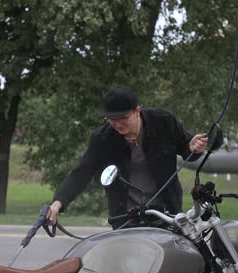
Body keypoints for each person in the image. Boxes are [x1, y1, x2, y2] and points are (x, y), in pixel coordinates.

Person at [47, 87, 208, 229]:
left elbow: (189, 150)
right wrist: (58, 203)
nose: (117, 124)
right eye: (111, 119)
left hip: (166, 213)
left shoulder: (164, 121)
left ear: (137, 111)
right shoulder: (102, 138)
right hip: (125, 217)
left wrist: (194, 147)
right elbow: (82, 172)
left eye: (123, 118)